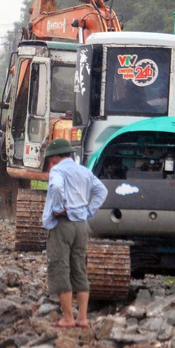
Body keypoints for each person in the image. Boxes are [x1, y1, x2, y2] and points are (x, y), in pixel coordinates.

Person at [42, 138, 108, 328]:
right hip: (81, 226)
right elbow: (102, 191)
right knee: (79, 268)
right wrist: (88, 211)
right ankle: (83, 318)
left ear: (55, 157)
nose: (49, 164)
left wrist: (58, 207)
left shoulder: (58, 170)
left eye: (49, 160)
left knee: (60, 267)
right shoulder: (84, 171)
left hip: (62, 225)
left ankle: (68, 318)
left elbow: (55, 187)